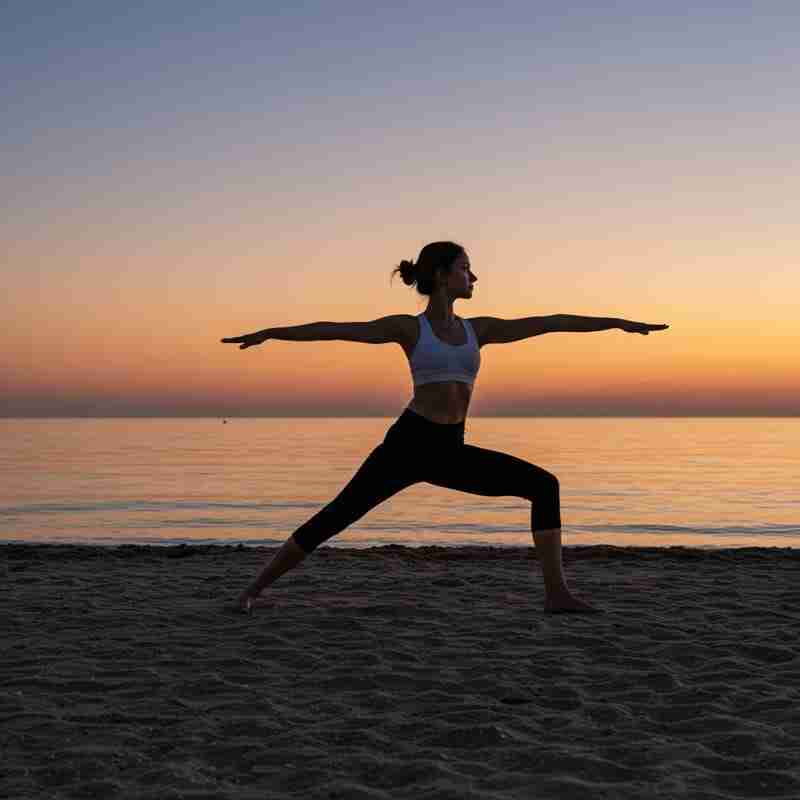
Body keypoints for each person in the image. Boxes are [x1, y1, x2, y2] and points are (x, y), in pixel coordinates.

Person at [221, 241, 669, 614]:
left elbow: (552, 323)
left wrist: (617, 324)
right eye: (466, 269)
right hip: (407, 445)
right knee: (338, 515)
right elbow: (338, 330)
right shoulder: (409, 328)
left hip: (450, 449)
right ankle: (252, 591)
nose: (473, 278)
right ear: (441, 275)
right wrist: (272, 333)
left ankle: (557, 595)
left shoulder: (480, 329)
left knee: (543, 485)